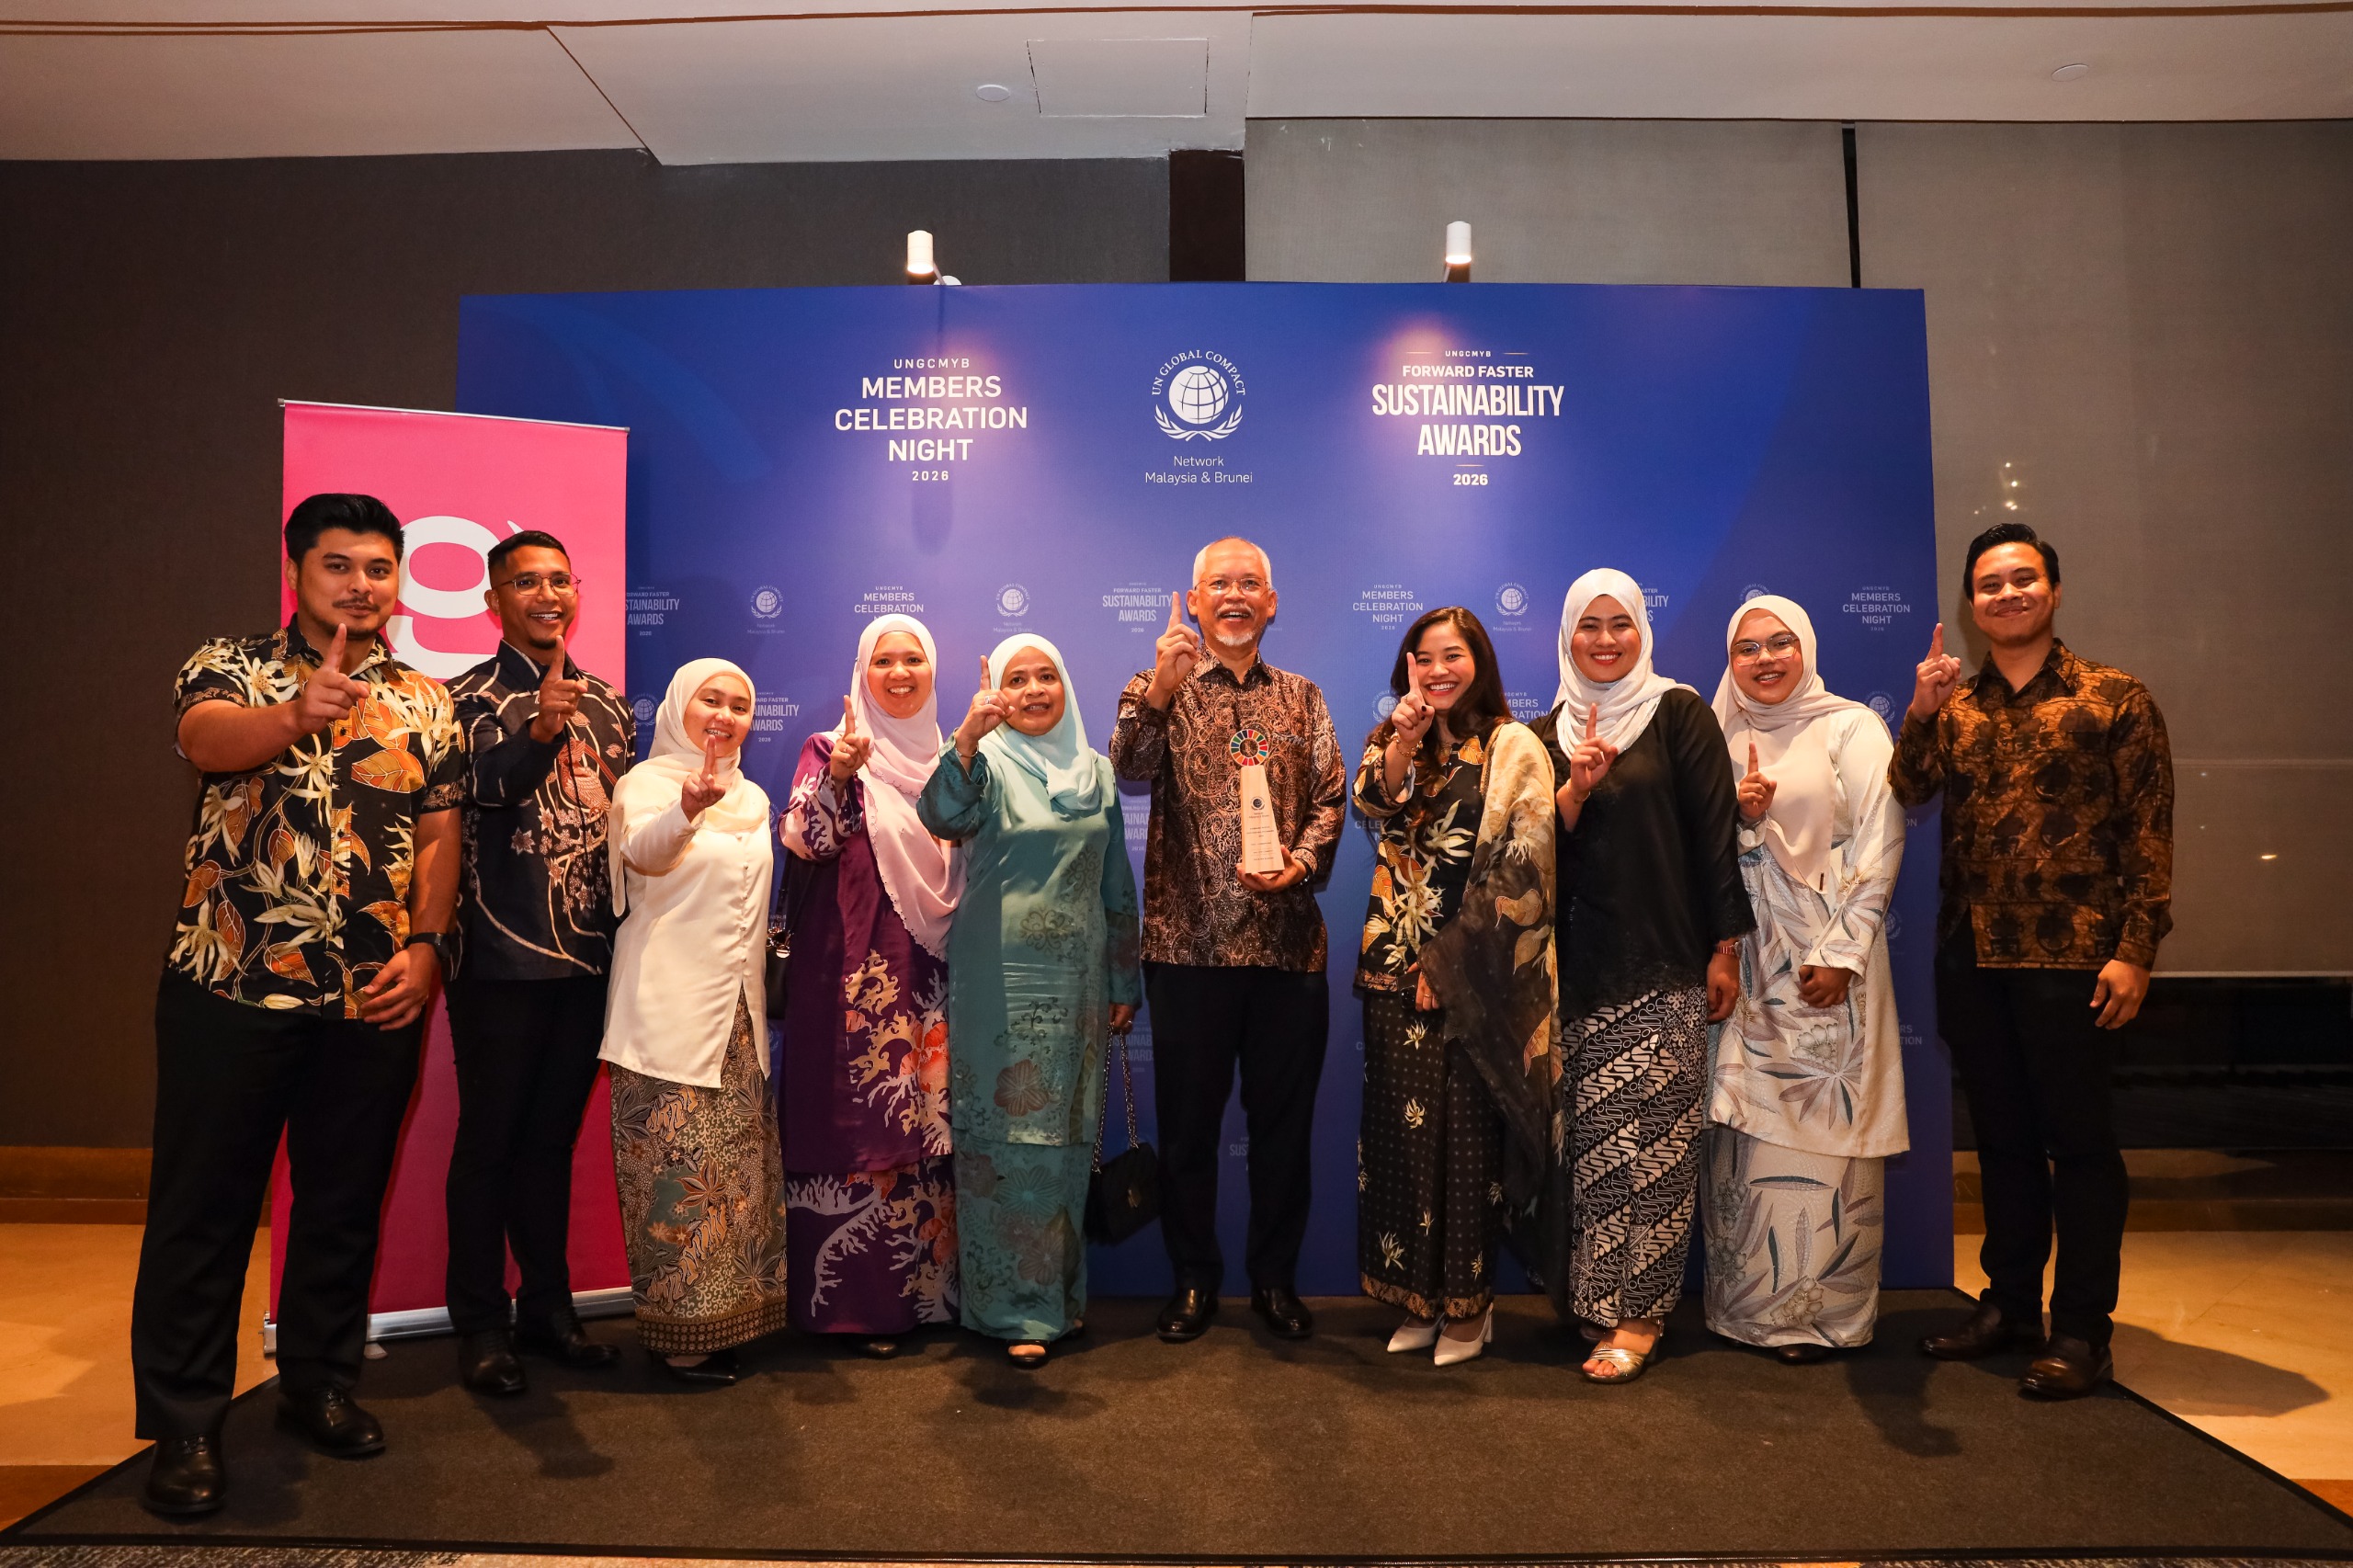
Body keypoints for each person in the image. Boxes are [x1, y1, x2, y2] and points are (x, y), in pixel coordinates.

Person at [133, 494, 463, 1517]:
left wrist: (426, 947)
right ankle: (187, 1422)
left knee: (341, 1203)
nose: (360, 585)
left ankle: (319, 1382)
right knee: (205, 1208)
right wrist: (292, 715)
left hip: (371, 996)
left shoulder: (424, 698)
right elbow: (204, 740)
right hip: (230, 983)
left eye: (378, 567)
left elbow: (441, 835)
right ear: (295, 572)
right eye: (338, 566)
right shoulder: (233, 664)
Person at [1895, 522, 2172, 1399]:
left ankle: (2083, 1329)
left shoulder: (2114, 697)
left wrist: (2136, 950)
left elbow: (2149, 833)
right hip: (1973, 955)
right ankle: (2010, 1305)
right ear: (1970, 604)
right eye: (1989, 585)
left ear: (2053, 590)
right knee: (2005, 1144)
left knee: (2081, 1148)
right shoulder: (1958, 705)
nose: (2007, 594)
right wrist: (1921, 710)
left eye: (2022, 579)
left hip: (2077, 958)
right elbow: (1908, 788)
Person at [1108, 538, 1346, 1344]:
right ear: (1196, 598)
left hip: (1287, 952)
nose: (1235, 596)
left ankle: (1275, 1280)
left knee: (1283, 1133)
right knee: (1188, 1134)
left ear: (1271, 603)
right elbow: (1128, 764)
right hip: (1189, 953)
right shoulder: (1156, 686)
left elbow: (1331, 799)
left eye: (1250, 584)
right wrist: (1161, 689)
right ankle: (1192, 1280)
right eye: (1220, 584)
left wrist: (1302, 863)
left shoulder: (1304, 698)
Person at [1531, 568, 1750, 1385]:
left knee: (1656, 1150)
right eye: (1588, 626)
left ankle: (1642, 1315)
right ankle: (1597, 1303)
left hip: (1664, 963)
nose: (1605, 640)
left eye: (1619, 623)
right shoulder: (1543, 734)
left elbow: (1714, 837)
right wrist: (1573, 792)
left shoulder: (1678, 712)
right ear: (1567, 637)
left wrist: (1724, 949)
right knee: (1594, 1152)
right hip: (1575, 976)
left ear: (1642, 631)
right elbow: (1527, 864)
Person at [443, 529, 633, 1396]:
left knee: (550, 1142)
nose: (547, 594)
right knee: (490, 1141)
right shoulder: (461, 699)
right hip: (497, 957)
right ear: (494, 602)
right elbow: (481, 790)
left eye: (560, 579)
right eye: (526, 582)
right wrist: (539, 733)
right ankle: (480, 1323)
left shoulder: (609, 704)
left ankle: (548, 1310)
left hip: (589, 957)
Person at [919, 638, 1142, 1367]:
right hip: (996, 982)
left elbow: (1116, 885)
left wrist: (1123, 981)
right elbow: (941, 816)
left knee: (1066, 1143)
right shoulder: (983, 765)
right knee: (1004, 1144)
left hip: (1076, 987)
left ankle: (1058, 1301)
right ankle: (1011, 1310)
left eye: (1047, 676)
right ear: (999, 694)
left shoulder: (1097, 772)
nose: (1035, 689)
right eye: (1018, 679)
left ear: (1066, 686)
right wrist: (966, 739)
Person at [1700, 596, 1907, 1363]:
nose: (1765, 660)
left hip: (1825, 957)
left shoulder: (1850, 726)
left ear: (1807, 648)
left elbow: (1882, 835)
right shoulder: (1719, 733)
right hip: (1743, 956)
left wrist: (1844, 952)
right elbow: (1695, 847)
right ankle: (1745, 1311)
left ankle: (1822, 1317)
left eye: (1781, 643)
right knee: (1749, 1131)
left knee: (1823, 1134)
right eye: (1747, 648)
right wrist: (1739, 815)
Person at [1351, 608, 1556, 1366]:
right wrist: (1403, 740)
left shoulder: (1511, 745)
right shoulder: (1394, 739)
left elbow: (1525, 861)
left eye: (1453, 656)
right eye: (1424, 658)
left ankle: (1470, 1310)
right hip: (1392, 966)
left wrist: (1451, 960)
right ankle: (1418, 1299)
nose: (1438, 671)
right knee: (1403, 1145)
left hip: (1472, 978)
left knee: (1465, 1148)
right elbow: (1372, 802)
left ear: (1480, 663)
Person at [777, 615, 962, 1355]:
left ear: (932, 670)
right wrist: (841, 776)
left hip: (936, 975)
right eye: (883, 660)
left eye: (913, 659)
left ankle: (931, 1302)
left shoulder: (953, 761)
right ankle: (854, 1309)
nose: (899, 673)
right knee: (860, 1123)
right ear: (862, 671)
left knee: (929, 1124)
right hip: (852, 977)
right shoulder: (831, 749)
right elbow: (807, 840)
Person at [602, 659, 790, 1386]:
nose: (725, 715)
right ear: (680, 705)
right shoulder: (646, 784)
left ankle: (728, 1321)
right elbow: (643, 855)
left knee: (734, 1181)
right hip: (665, 1012)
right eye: (711, 699)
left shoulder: (753, 795)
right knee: (675, 1180)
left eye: (740, 705)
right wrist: (685, 808)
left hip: (738, 1019)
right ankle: (680, 1337)